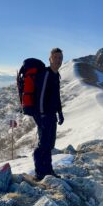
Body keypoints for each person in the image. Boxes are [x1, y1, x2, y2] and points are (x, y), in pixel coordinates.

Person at [33, 47, 64, 180]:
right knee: (43, 144)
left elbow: (56, 97)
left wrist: (60, 112)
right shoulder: (46, 74)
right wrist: (41, 115)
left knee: (50, 144)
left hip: (51, 114)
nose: (58, 60)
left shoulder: (56, 75)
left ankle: (48, 171)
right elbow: (40, 97)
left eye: (60, 58)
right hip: (43, 115)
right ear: (50, 59)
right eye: (55, 57)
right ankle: (39, 172)